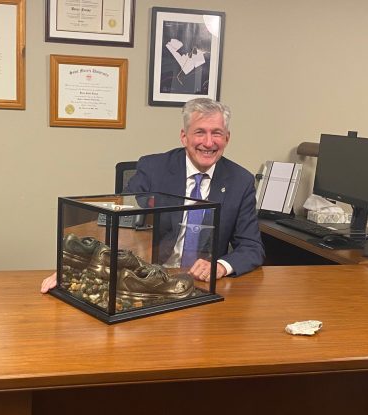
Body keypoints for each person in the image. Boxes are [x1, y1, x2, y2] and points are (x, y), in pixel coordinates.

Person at [41, 98, 264, 293]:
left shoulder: (240, 181)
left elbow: (252, 247)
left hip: (202, 284)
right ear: (184, 137)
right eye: (200, 132)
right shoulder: (153, 168)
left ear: (227, 138)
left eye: (217, 133)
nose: (208, 142)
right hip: (146, 280)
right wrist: (74, 268)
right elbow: (117, 225)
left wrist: (221, 266)